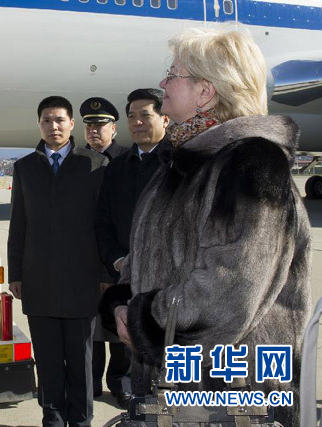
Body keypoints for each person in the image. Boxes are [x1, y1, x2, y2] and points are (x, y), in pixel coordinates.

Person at [100, 27, 311, 426]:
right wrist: (122, 302)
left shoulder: (250, 166)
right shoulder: (180, 165)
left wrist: (145, 320)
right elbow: (151, 260)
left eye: (173, 73)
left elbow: (228, 294)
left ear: (205, 91)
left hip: (235, 397)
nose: (163, 82)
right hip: (177, 388)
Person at [8, 96, 108, 426]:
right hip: (39, 279)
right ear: (39, 125)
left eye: (60, 120)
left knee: (80, 359)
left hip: (82, 278)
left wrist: (105, 273)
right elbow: (18, 224)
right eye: (47, 120)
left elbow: (103, 224)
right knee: (47, 357)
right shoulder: (25, 168)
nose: (53, 126)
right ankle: (51, 416)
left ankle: (80, 419)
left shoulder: (94, 164)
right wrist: (16, 273)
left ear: (72, 124)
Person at [93, 89, 169, 407]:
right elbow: (103, 221)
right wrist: (117, 260)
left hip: (169, 280)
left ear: (164, 119)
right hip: (126, 275)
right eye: (132, 117)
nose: (137, 122)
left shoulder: (181, 164)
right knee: (130, 342)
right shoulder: (117, 168)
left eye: (145, 115)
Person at [78, 96, 127, 403]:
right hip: (85, 261)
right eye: (89, 126)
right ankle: (90, 381)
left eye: (101, 125)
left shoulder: (127, 160)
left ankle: (121, 382)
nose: (94, 131)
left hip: (119, 260)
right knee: (90, 329)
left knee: (120, 327)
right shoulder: (76, 161)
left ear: (114, 128)